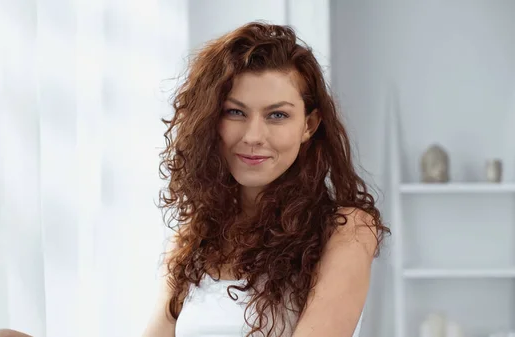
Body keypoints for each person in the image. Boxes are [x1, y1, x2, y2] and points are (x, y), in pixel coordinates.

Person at [142, 21, 390, 337]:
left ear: (309, 125)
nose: (253, 136)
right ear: (210, 121)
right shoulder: (192, 239)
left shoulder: (347, 231)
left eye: (277, 115)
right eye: (235, 112)